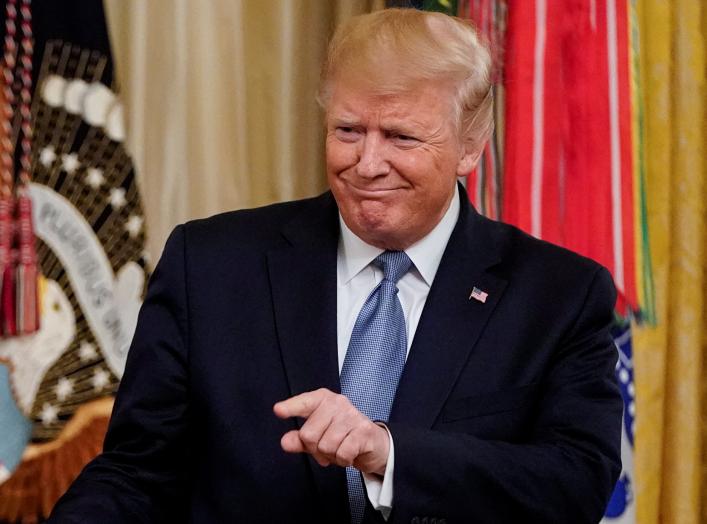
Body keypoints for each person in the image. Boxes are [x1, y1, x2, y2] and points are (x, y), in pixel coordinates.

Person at [48, 8, 622, 524]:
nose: (367, 163)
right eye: (348, 130)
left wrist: (388, 454)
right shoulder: (212, 265)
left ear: (470, 146)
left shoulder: (557, 295)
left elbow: (573, 486)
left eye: (400, 136)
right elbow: (137, 474)